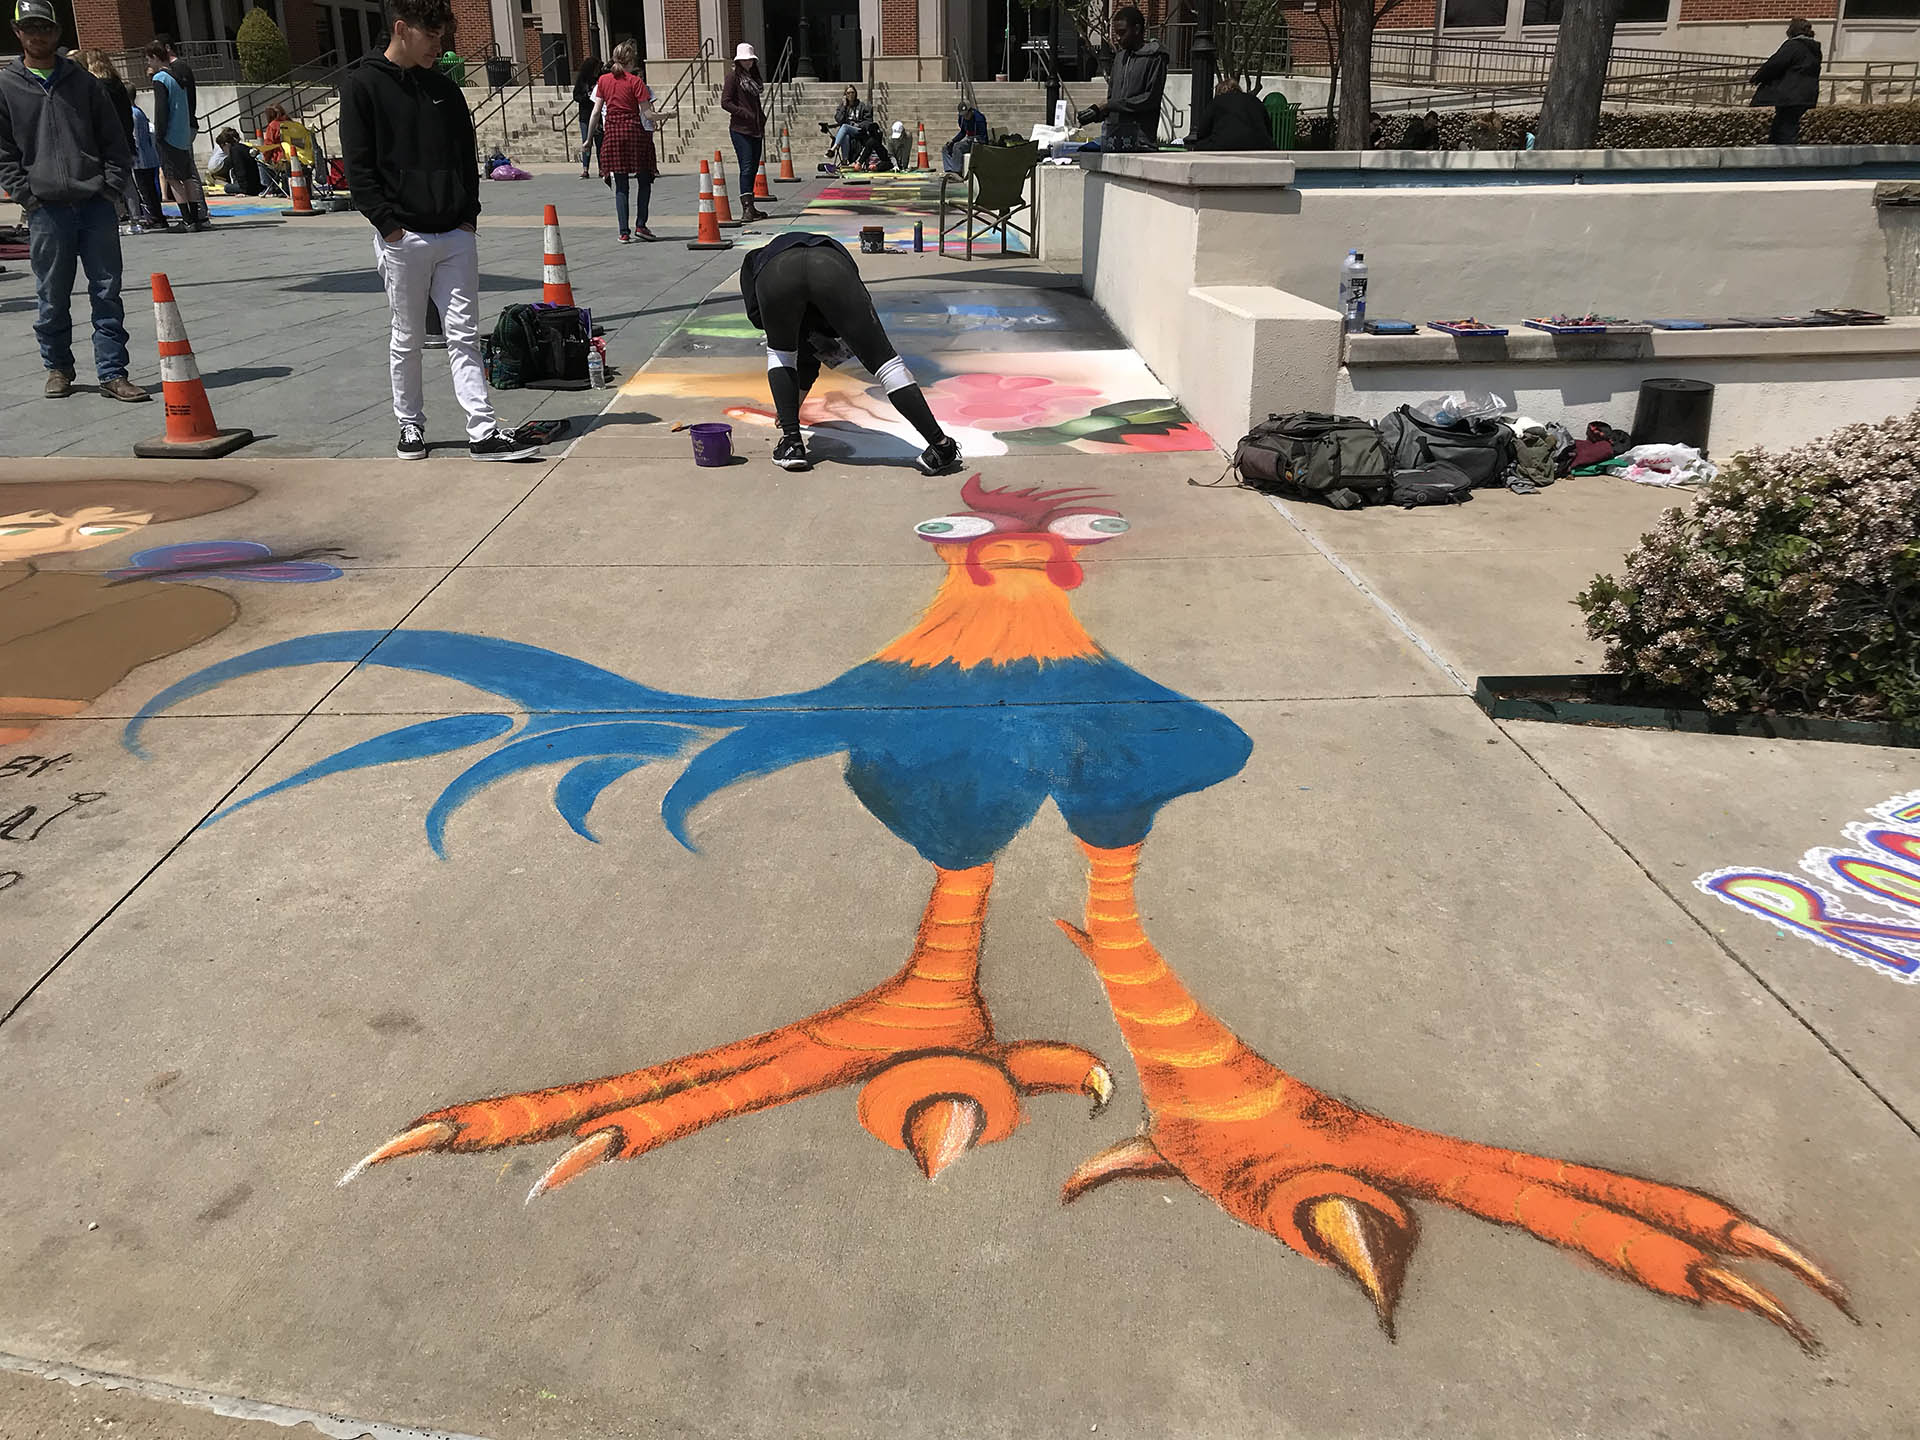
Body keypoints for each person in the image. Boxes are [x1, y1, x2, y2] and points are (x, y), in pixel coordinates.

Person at [340, 0, 538, 462]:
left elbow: (466, 158)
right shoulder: (363, 85)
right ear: (401, 28)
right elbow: (358, 168)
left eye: (442, 37)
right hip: (402, 236)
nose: (439, 46)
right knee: (407, 336)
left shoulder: (445, 90)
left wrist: (468, 218)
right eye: (430, 36)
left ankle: (482, 429)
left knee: (464, 334)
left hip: (454, 233)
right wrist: (389, 226)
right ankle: (409, 423)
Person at [0, 0, 149, 403]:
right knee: (52, 295)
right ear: (17, 31)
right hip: (46, 209)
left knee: (107, 291)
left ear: (58, 31)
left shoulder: (83, 82)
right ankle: (58, 367)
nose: (38, 35)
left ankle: (113, 372)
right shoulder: (6, 86)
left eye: (45, 27)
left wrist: (110, 187)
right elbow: (4, 152)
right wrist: (26, 195)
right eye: (30, 28)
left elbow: (115, 140)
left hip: (94, 204)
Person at [741, 231, 960, 476]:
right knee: (885, 363)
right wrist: (792, 407)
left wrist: (788, 414)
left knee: (781, 353)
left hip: (778, 273)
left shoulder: (756, 264)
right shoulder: (825, 262)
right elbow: (811, 357)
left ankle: (791, 444)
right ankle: (941, 445)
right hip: (831, 267)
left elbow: (764, 323)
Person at [589, 40, 657, 242]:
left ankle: (623, 232)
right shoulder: (636, 82)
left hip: (613, 134)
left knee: (621, 185)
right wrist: (667, 115)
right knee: (644, 179)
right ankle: (641, 225)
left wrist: (588, 139)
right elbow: (648, 114)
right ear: (632, 61)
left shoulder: (603, 81)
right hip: (635, 133)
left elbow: (595, 112)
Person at [144, 40, 208, 230]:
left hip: (170, 135)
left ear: (155, 57)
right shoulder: (178, 76)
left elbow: (161, 110)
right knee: (188, 177)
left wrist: (159, 135)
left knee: (172, 178)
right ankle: (196, 217)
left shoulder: (160, 79)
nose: (148, 63)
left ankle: (187, 220)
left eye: (149, 59)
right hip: (183, 133)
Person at [1083, 6, 1165, 152]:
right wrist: (1097, 113)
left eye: (1122, 32)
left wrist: (1109, 106)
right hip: (1114, 138)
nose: (1118, 38)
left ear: (1137, 29)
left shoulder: (1154, 57)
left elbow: (1150, 98)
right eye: (1116, 33)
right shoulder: (1120, 57)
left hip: (1140, 140)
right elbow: (1112, 98)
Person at [78, 51, 137, 228]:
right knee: (127, 181)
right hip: (124, 135)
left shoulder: (96, 86)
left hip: (105, 138)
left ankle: (118, 216)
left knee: (108, 180)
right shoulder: (118, 84)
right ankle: (135, 218)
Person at [1753, 18, 1822, 146]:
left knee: (1783, 129)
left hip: (1790, 94)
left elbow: (1775, 64)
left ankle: (1782, 155)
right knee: (1789, 124)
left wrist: (1758, 77)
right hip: (1807, 94)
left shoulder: (1793, 45)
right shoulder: (1815, 49)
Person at [720, 42, 767, 223]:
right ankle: (746, 207)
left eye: (750, 60)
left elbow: (755, 101)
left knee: (753, 167)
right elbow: (725, 102)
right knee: (746, 167)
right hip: (740, 129)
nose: (748, 62)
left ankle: (751, 206)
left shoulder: (753, 78)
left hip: (755, 128)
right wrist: (744, 113)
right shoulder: (733, 77)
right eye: (745, 60)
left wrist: (760, 117)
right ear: (738, 61)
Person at [1187, 77, 1272, 151]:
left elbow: (1203, 131)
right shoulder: (1255, 100)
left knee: (1199, 146)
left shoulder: (1217, 101)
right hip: (1261, 145)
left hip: (1224, 145)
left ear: (1219, 92)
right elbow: (1268, 129)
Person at [129, 97, 165, 229]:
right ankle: (156, 216)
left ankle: (155, 217)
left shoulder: (132, 113)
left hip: (141, 158)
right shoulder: (138, 111)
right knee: (150, 189)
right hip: (148, 156)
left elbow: (136, 137)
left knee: (146, 190)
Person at [572, 52, 602, 178]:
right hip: (585, 115)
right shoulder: (582, 80)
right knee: (586, 141)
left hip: (598, 114)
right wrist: (586, 97)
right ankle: (585, 169)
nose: (597, 70)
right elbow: (576, 96)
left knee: (600, 142)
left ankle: (602, 168)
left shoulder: (600, 78)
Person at [208, 127, 262, 194]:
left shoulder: (234, 151)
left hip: (248, 188)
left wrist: (243, 190)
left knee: (227, 188)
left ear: (226, 144)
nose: (223, 151)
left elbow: (240, 171)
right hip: (256, 184)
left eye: (222, 148)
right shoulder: (243, 147)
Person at [942, 100, 988, 174]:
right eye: (963, 115)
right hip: (969, 140)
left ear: (971, 111)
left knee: (957, 147)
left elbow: (983, 137)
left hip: (977, 142)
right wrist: (953, 140)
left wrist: (973, 139)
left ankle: (956, 172)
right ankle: (949, 170)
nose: (965, 117)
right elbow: (963, 132)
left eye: (966, 115)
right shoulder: (962, 118)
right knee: (946, 147)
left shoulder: (979, 119)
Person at [831, 84, 871, 164]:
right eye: (848, 93)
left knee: (844, 127)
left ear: (855, 93)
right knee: (845, 135)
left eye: (852, 92)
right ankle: (845, 161)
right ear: (845, 95)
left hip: (858, 130)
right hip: (847, 131)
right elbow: (838, 119)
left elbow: (868, 121)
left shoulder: (861, 105)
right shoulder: (842, 106)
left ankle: (833, 148)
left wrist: (859, 125)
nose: (851, 95)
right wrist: (844, 107)